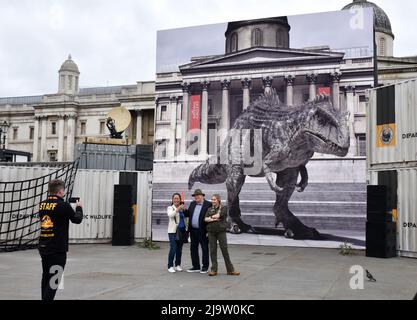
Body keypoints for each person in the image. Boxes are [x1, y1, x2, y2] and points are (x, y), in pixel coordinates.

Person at [38, 179, 83, 300]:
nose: (64, 192)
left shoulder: (42, 204)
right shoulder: (63, 205)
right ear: (60, 191)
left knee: (46, 277)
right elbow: (77, 220)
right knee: (55, 280)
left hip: (44, 246)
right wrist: (79, 208)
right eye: (63, 190)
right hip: (57, 248)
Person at [204, 194, 240, 277]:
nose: (213, 201)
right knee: (213, 251)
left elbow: (219, 215)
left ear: (218, 200)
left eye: (214, 199)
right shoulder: (209, 209)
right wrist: (214, 218)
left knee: (224, 250)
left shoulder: (223, 208)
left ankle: (230, 270)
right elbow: (205, 219)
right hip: (211, 232)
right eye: (212, 199)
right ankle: (213, 270)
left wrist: (212, 218)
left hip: (221, 231)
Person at [183, 189, 212, 273]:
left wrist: (208, 231)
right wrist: (184, 210)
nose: (196, 197)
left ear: (202, 196)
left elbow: (210, 217)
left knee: (205, 249)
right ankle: (196, 266)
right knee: (193, 248)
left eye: (198, 195)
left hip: (203, 231)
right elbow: (188, 214)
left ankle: (205, 267)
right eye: (195, 196)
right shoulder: (192, 204)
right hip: (193, 231)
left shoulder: (208, 204)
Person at [167, 193, 187, 273]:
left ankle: (178, 264)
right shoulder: (170, 208)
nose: (176, 200)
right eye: (174, 198)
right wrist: (178, 209)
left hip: (181, 231)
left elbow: (185, 218)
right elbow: (170, 215)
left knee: (179, 249)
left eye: (178, 198)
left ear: (180, 200)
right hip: (173, 231)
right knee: (173, 248)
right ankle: (170, 266)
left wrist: (185, 210)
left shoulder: (182, 209)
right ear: (172, 200)